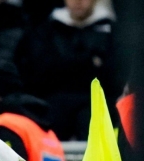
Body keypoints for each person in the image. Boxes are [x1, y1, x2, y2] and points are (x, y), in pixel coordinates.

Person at [15, 0, 118, 140]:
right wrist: (90, 61)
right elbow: (40, 72)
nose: (78, 1)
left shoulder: (114, 31)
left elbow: (114, 75)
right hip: (55, 104)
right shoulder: (46, 30)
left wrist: (66, 64)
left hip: (100, 102)